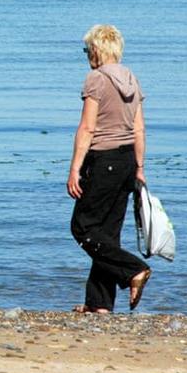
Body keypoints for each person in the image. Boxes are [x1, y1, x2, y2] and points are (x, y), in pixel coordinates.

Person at [67, 24, 152, 313]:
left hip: (104, 160)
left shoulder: (96, 79)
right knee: (107, 233)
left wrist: (75, 168)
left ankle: (133, 270)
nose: (86, 55)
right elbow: (139, 129)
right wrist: (139, 168)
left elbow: (87, 128)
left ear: (96, 49)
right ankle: (100, 304)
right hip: (127, 161)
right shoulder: (132, 78)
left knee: (83, 227)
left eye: (87, 49)